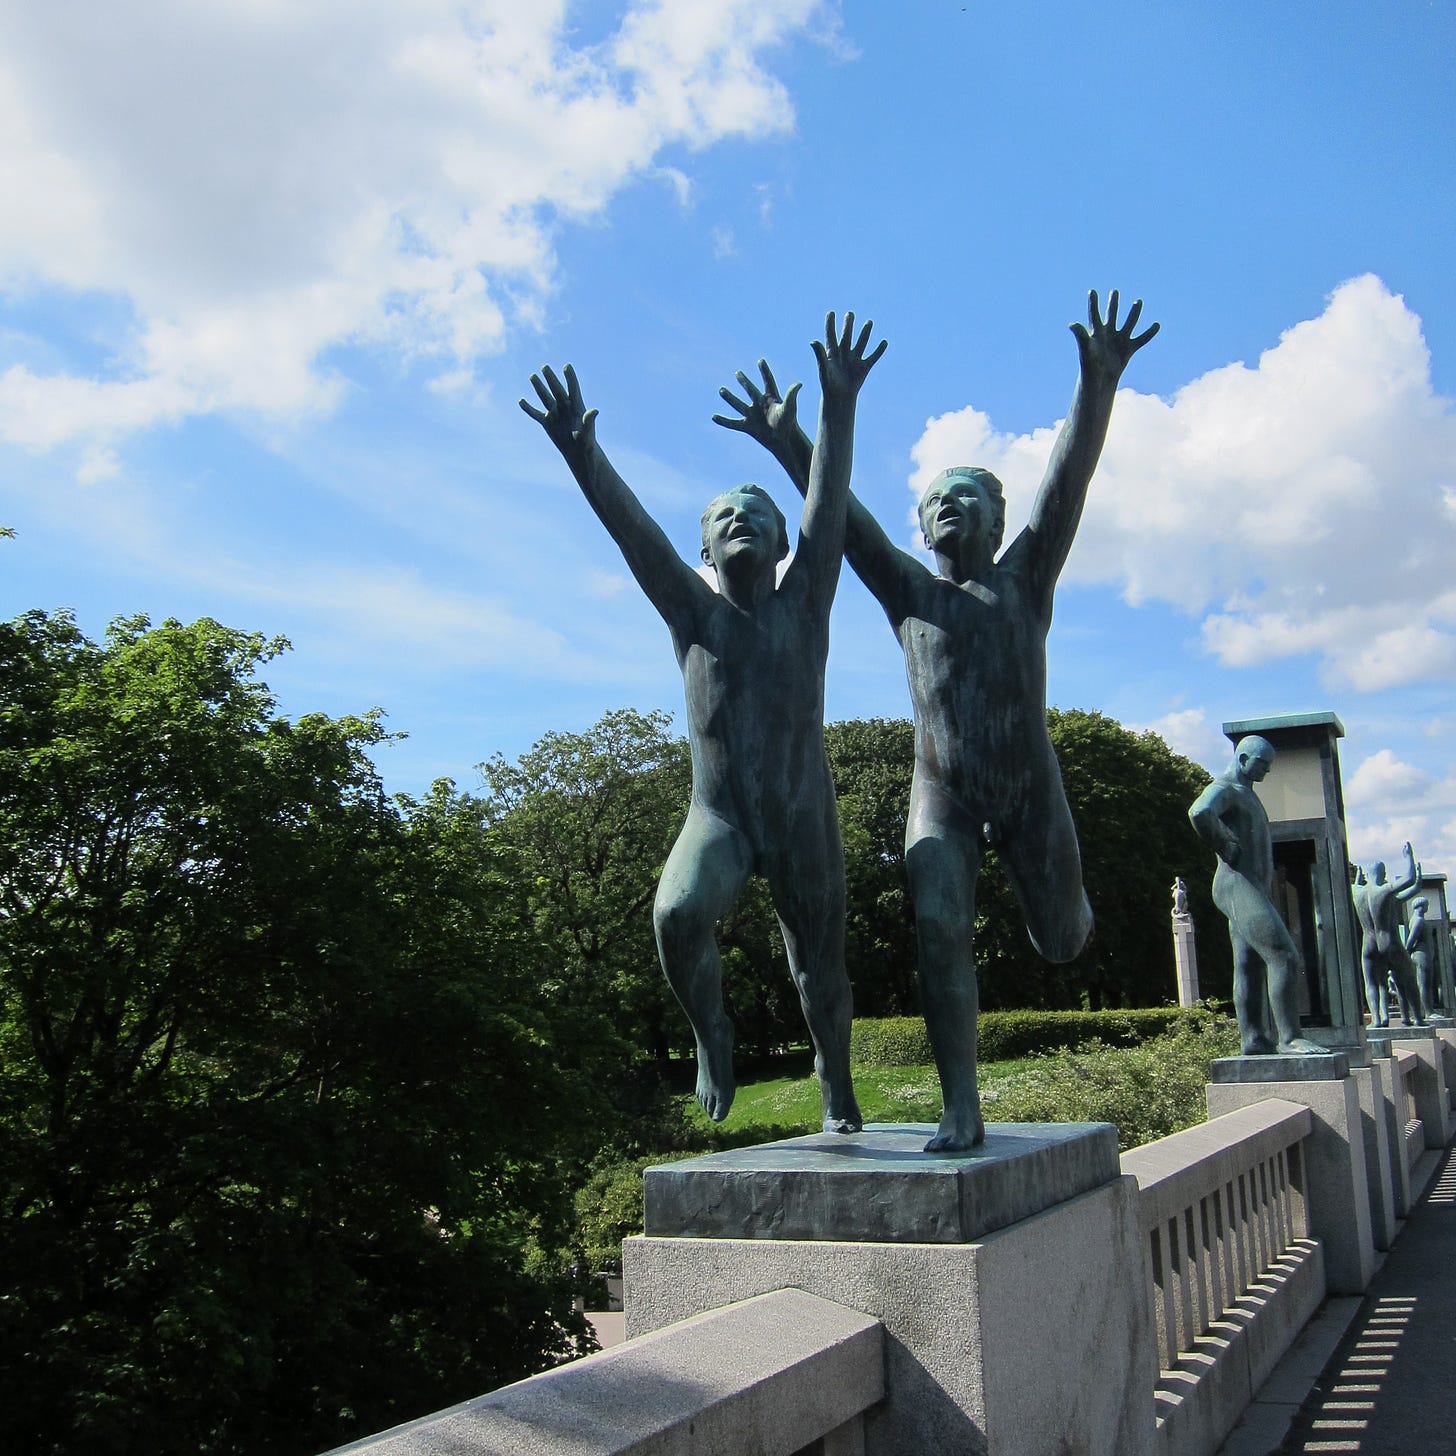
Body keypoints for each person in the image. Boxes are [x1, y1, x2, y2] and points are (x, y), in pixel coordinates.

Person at [714, 290, 1155, 1150]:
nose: (952, 506)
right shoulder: (908, 595)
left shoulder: (1026, 579)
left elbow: (1069, 479)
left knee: (1062, 943)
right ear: (920, 529)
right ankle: (963, 1106)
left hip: (1030, 792)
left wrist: (1096, 383)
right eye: (937, 500)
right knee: (941, 924)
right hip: (941, 794)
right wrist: (788, 439)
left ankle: (1070, 910)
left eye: (970, 497)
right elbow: (845, 521)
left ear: (996, 519)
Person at [520, 312, 885, 1132]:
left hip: (802, 817)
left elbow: (828, 502)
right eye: (722, 519)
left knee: (819, 969)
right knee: (676, 915)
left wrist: (838, 406)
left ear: (785, 542)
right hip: (719, 817)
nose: (739, 522)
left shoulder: (807, 602)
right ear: (704, 555)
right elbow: (633, 532)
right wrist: (583, 453)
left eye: (755, 513)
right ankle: (710, 1035)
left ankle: (835, 1081)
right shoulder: (692, 614)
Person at [1188, 736, 1329, 1056]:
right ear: (1242, 759)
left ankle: (1253, 1039)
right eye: (1261, 765)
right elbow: (1199, 812)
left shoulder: (1246, 793)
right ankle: (1290, 1037)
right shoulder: (1226, 788)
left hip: (1248, 887)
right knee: (1284, 955)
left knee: (1248, 963)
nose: (1266, 772)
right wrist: (1224, 843)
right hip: (1237, 885)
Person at [1353, 845, 1425, 1026]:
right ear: (1383, 873)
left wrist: (1357, 878)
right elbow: (1410, 879)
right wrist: (1409, 857)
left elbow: (1353, 884)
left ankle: (1377, 1019)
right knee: (1408, 977)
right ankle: (1417, 1017)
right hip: (1388, 941)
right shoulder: (1384, 891)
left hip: (1368, 944)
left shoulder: (1357, 892)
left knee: (1372, 983)